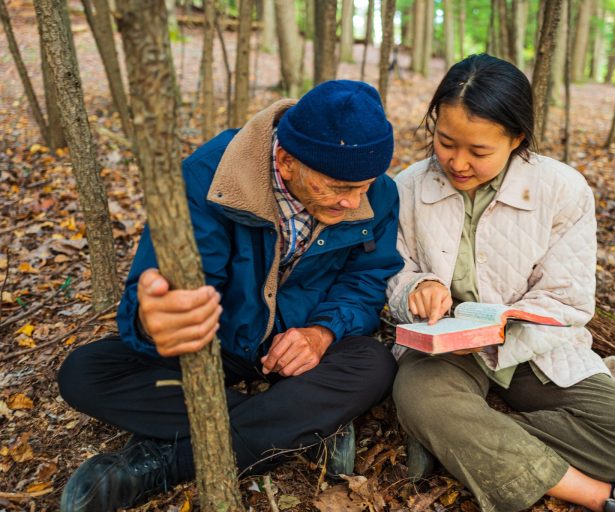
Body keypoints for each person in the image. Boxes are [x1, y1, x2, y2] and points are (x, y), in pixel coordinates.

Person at [58, 80, 403, 512]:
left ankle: (163, 462)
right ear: (286, 160)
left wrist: (321, 332)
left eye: (364, 186)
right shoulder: (210, 178)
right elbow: (165, 293)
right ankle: (297, 425)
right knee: (86, 373)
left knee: (373, 365)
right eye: (336, 187)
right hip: (215, 346)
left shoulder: (380, 194)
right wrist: (155, 320)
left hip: (301, 350)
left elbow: (366, 281)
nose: (353, 203)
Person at [386, 54, 615, 512]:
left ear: (517, 138)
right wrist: (416, 288)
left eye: (479, 151)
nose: (457, 162)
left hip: (532, 350)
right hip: (442, 350)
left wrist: (498, 331)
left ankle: (459, 442)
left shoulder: (562, 190)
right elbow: (392, 271)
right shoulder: (407, 187)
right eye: (445, 142)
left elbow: (567, 300)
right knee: (419, 397)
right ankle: (602, 497)